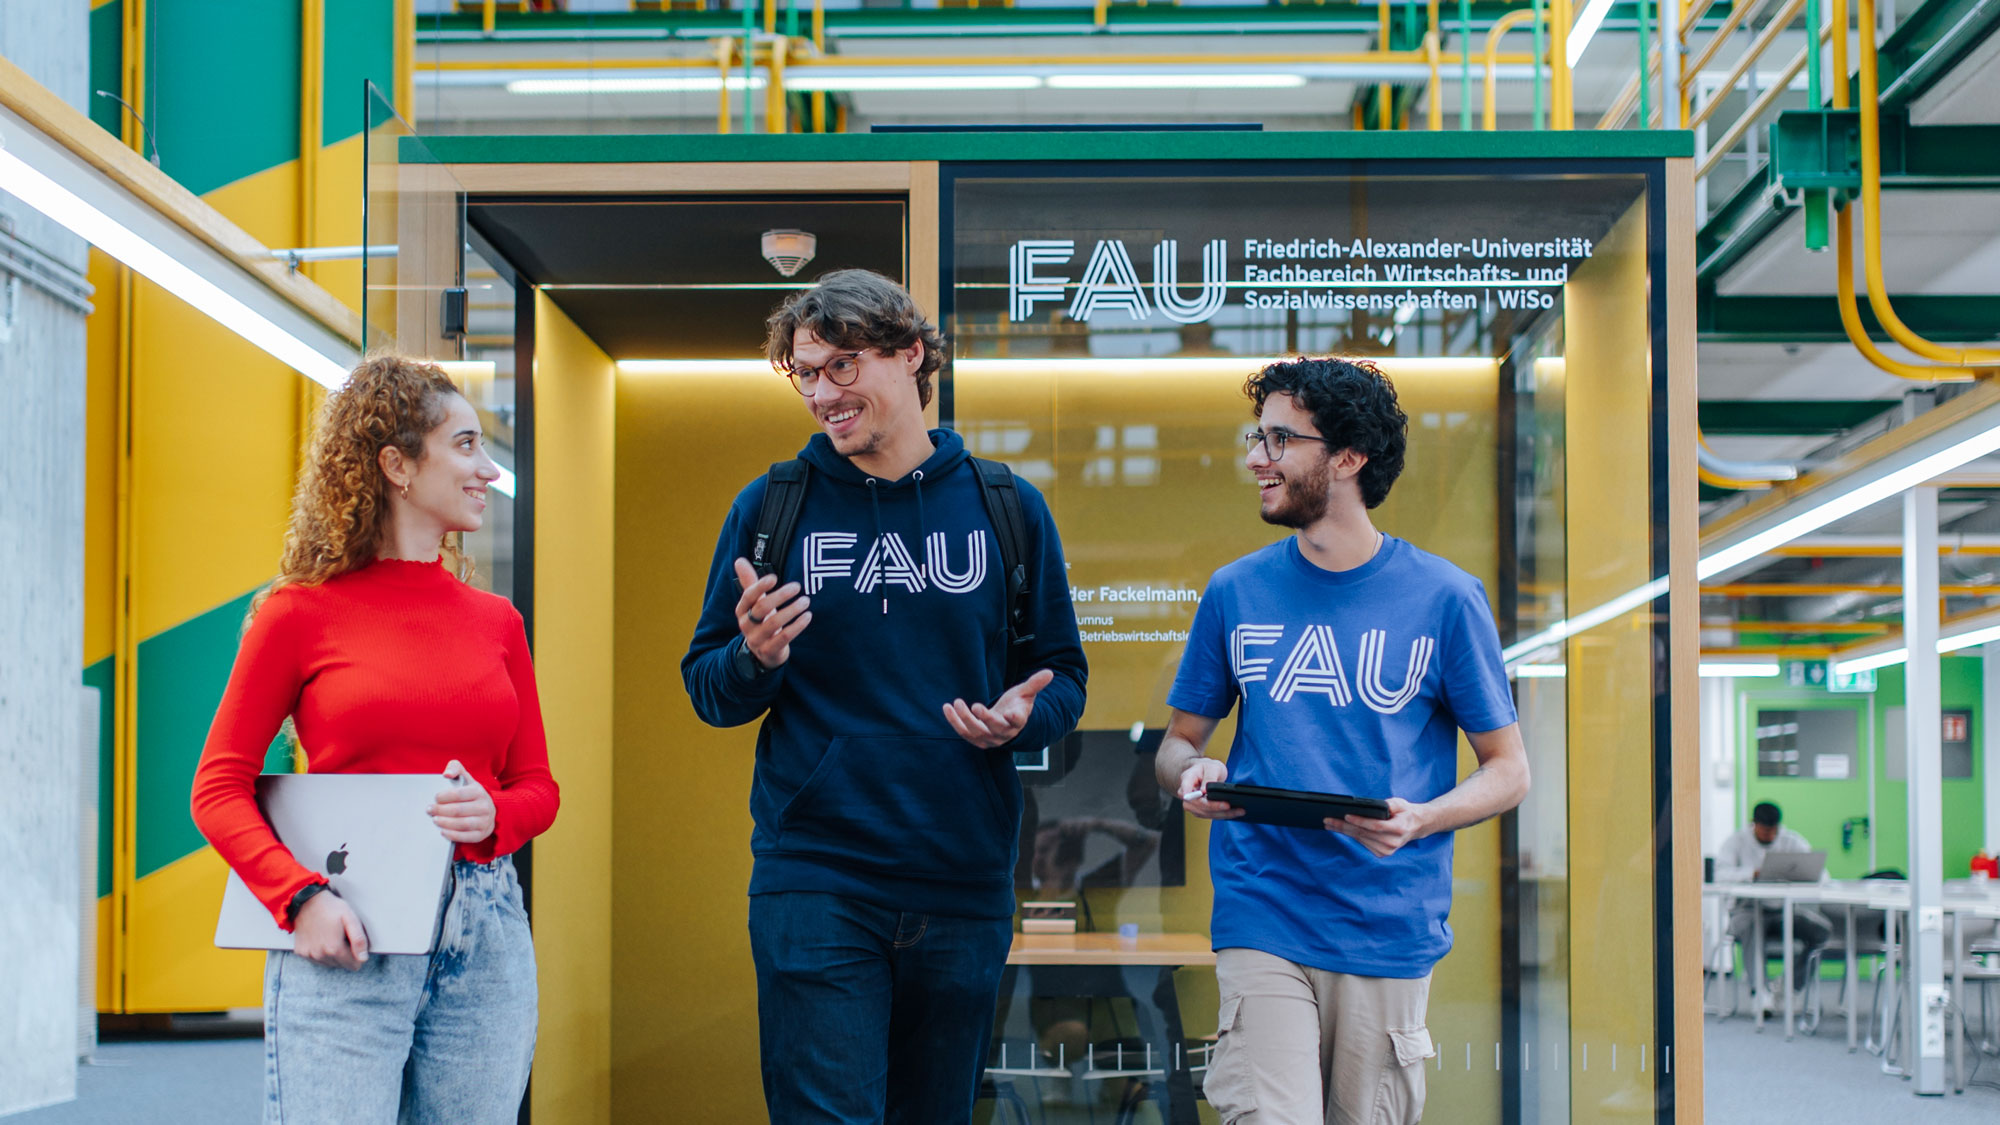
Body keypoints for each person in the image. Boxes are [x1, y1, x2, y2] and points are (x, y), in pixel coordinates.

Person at [681, 269, 1088, 1125]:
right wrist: (756, 657)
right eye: (805, 372)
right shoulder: (773, 508)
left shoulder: (1006, 507)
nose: (822, 393)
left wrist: (1021, 720)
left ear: (910, 355)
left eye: (843, 365)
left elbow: (1062, 676)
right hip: (816, 877)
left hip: (963, 877)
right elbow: (709, 687)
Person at [1154, 356, 1529, 1125]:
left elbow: (1509, 770)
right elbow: (1175, 745)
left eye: (1280, 440)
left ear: (1349, 456)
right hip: (1263, 908)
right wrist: (1194, 772)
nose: (1257, 459)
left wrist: (1422, 818)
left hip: (1386, 923)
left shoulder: (1447, 599)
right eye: (1256, 438)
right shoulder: (1234, 591)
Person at [191, 356, 558, 1124]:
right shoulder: (296, 614)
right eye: (465, 445)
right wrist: (299, 899)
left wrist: (495, 814)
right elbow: (217, 789)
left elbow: (538, 789)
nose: (488, 469)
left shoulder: (499, 623)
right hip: (347, 923)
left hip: (486, 933)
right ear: (397, 465)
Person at [1716, 801, 1831, 1000]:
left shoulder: (1791, 841)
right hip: (1745, 911)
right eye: (1764, 830)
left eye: (1773, 830)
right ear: (1754, 824)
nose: (1769, 835)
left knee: (1821, 930)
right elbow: (1719, 875)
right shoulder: (1736, 842)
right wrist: (1752, 873)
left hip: (1782, 911)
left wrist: (1802, 874)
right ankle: (1760, 992)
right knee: (1752, 925)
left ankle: (1789, 987)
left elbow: (1822, 875)